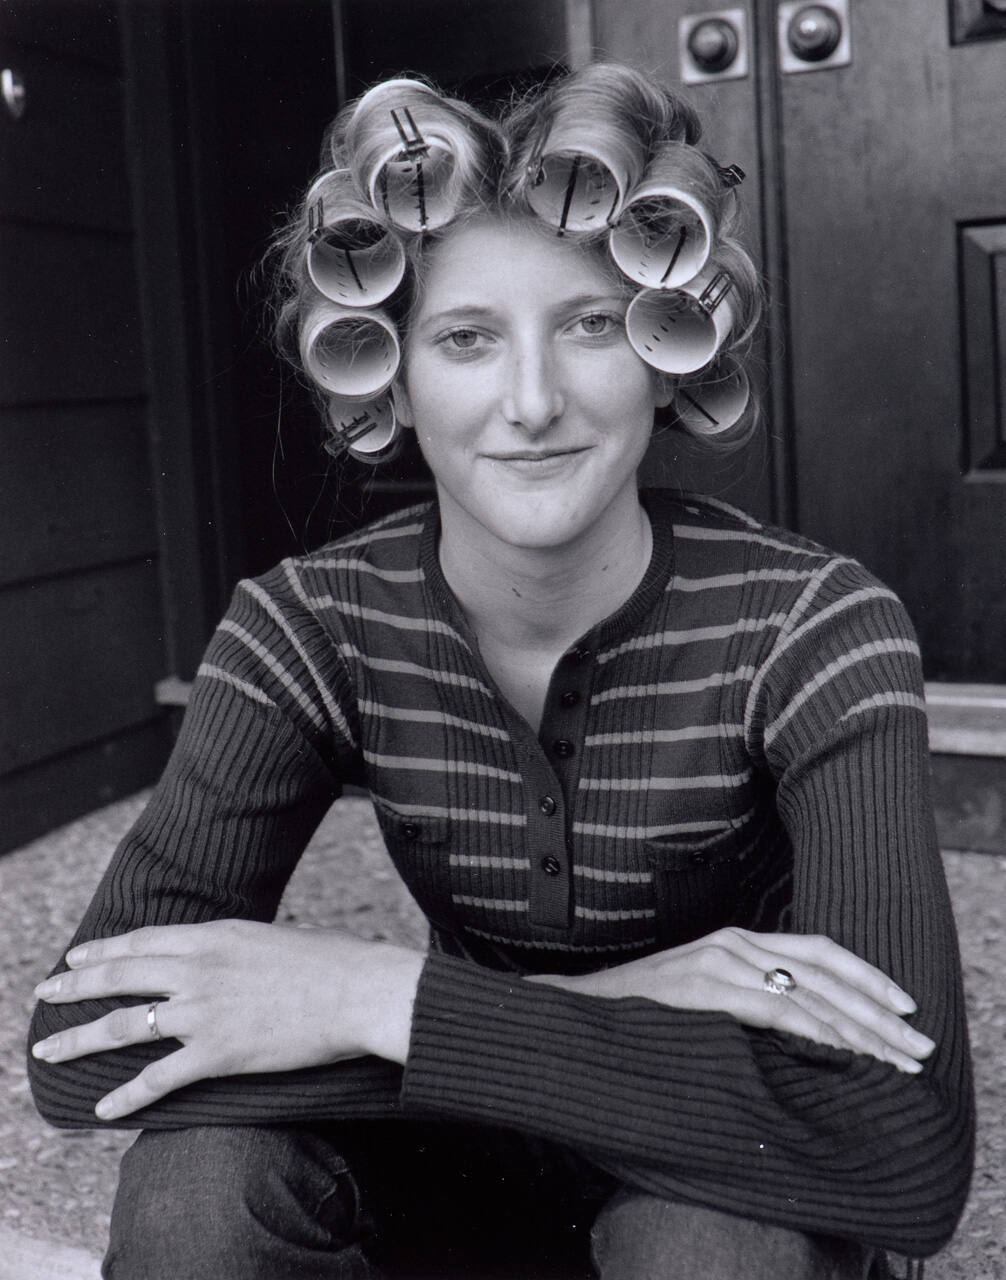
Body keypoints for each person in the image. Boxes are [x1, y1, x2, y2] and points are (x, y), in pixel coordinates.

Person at [28, 63, 973, 1280]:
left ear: (666, 352)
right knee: (193, 1191)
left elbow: (901, 1146)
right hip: (468, 1156)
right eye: (466, 338)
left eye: (590, 326)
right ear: (389, 372)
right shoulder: (310, 622)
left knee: (715, 1247)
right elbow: (82, 1047)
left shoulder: (813, 625)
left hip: (706, 1163)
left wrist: (372, 997)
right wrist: (604, 998)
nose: (532, 402)